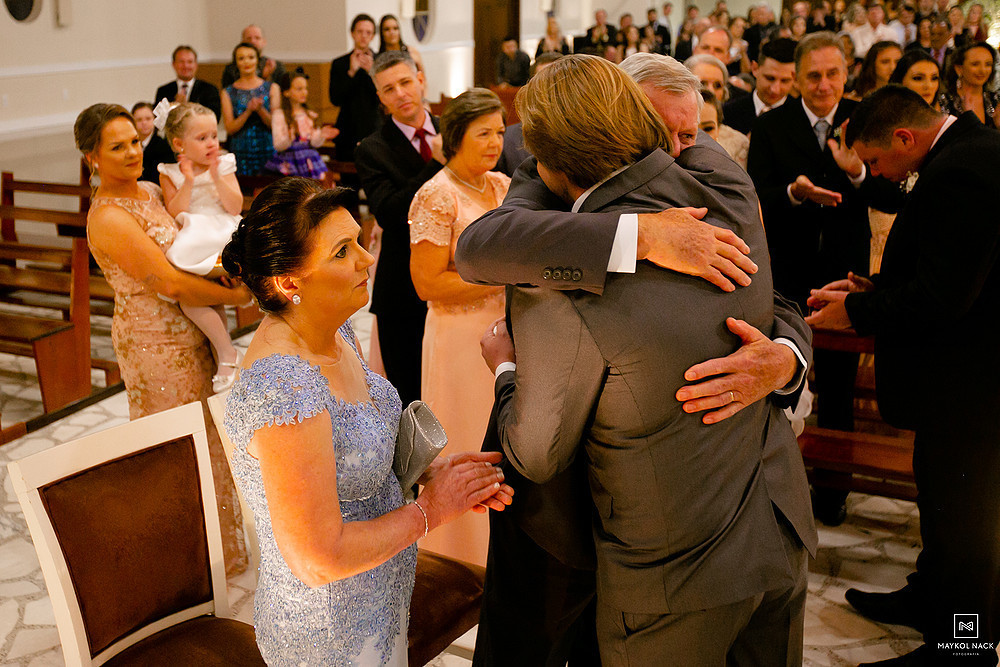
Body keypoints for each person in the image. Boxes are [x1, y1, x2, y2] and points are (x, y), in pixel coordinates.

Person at [459, 51, 816, 667]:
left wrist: (785, 358)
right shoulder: (721, 188)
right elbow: (481, 244)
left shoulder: (570, 290)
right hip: (632, 532)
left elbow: (774, 299)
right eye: (662, 132)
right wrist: (639, 234)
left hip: (671, 561)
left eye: (689, 133)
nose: (675, 153)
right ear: (624, 119)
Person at [220, 177, 514, 666]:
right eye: (341, 251)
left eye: (359, 240)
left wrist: (429, 473)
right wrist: (432, 510)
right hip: (329, 631)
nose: (366, 258)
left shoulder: (334, 334)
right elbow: (318, 559)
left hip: (380, 599)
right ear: (289, 282)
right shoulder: (283, 385)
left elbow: (350, 456)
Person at [806, 85, 1000, 667]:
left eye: (875, 162)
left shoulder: (964, 170)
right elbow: (953, 268)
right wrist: (874, 290)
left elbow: (944, 297)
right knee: (943, 504)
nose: (878, 175)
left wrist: (858, 313)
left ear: (904, 138)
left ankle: (962, 646)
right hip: (961, 383)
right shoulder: (964, 150)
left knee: (968, 524)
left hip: (976, 385)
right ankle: (932, 601)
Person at [74, 103, 248, 573]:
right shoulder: (108, 217)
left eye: (134, 140)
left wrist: (225, 272)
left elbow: (189, 249)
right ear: (92, 157)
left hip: (192, 327)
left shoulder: (151, 191)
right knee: (173, 446)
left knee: (206, 436)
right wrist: (238, 297)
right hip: (154, 342)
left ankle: (214, 553)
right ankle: (182, 561)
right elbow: (168, 283)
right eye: (117, 146)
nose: (133, 151)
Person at [747, 32, 889, 524]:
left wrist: (855, 176)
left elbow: (891, 189)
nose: (824, 84)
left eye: (833, 74)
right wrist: (794, 192)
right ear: (799, 77)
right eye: (813, 75)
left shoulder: (863, 116)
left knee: (839, 387)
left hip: (844, 271)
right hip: (789, 272)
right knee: (781, 382)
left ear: (847, 74)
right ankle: (776, 487)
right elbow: (758, 195)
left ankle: (832, 493)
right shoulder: (772, 125)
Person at [407, 90, 509, 567]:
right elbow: (427, 282)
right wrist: (500, 273)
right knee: (467, 432)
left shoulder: (503, 186)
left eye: (500, 131)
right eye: (483, 132)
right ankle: (459, 554)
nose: (495, 141)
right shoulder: (436, 193)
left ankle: (500, 546)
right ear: (456, 137)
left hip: (504, 331)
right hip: (457, 335)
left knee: (499, 433)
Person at [355, 51, 443, 407]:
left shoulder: (455, 131)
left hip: (460, 276)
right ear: (380, 97)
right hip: (402, 287)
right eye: (389, 89)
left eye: (406, 82)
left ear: (421, 80)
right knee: (412, 396)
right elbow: (391, 213)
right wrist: (435, 163)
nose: (401, 93)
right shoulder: (372, 149)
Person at [158, 103, 243, 393]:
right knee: (194, 297)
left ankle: (227, 354)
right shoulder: (170, 171)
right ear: (179, 144)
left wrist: (217, 176)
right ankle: (227, 353)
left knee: (194, 295)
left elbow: (235, 206)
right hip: (194, 232)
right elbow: (176, 211)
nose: (211, 143)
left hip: (224, 232)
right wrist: (190, 181)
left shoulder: (224, 162)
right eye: (202, 138)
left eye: (213, 136)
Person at [265, 69, 338, 180]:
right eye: (299, 89)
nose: (304, 92)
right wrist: (289, 136)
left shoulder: (309, 114)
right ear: (286, 92)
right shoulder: (280, 115)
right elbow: (278, 145)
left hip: (310, 160)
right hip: (290, 160)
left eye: (306, 88)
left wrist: (321, 135)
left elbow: (313, 142)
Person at [221, 42, 278, 177]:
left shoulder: (272, 88)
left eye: (251, 57)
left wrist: (260, 110)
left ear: (257, 60)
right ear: (236, 62)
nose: (246, 61)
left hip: (267, 148)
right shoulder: (228, 92)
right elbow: (230, 128)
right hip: (241, 150)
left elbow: (275, 125)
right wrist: (248, 111)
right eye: (241, 58)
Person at [329, 14, 381, 161]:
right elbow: (335, 99)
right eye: (359, 32)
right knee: (347, 180)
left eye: (368, 32)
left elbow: (383, 97)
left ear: (373, 36)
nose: (363, 36)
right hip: (347, 129)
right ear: (352, 33)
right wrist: (351, 73)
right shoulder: (339, 63)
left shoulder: (381, 61)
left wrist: (372, 72)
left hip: (374, 128)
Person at [724, 37, 797, 134]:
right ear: (755, 69)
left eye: (785, 81)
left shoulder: (803, 118)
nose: (775, 89)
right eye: (770, 78)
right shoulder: (728, 112)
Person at [940, 41, 1000, 128]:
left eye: (988, 64)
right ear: (959, 69)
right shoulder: (944, 102)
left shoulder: (996, 100)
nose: (982, 70)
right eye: (975, 64)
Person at [154, 45, 221, 119]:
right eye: (181, 61)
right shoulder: (163, 91)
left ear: (196, 65)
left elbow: (214, 118)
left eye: (190, 62)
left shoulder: (210, 90)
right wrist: (175, 107)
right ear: (173, 64)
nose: (185, 66)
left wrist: (186, 107)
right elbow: (157, 120)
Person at [221, 24, 286, 90]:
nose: (253, 41)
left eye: (257, 38)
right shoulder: (231, 68)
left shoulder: (276, 66)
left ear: (264, 42)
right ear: (242, 42)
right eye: (249, 38)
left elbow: (283, 94)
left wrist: (269, 77)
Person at [131, 101, 173, 183]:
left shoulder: (164, 146)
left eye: (148, 119)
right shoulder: (130, 145)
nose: (144, 123)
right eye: (139, 120)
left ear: (154, 119)